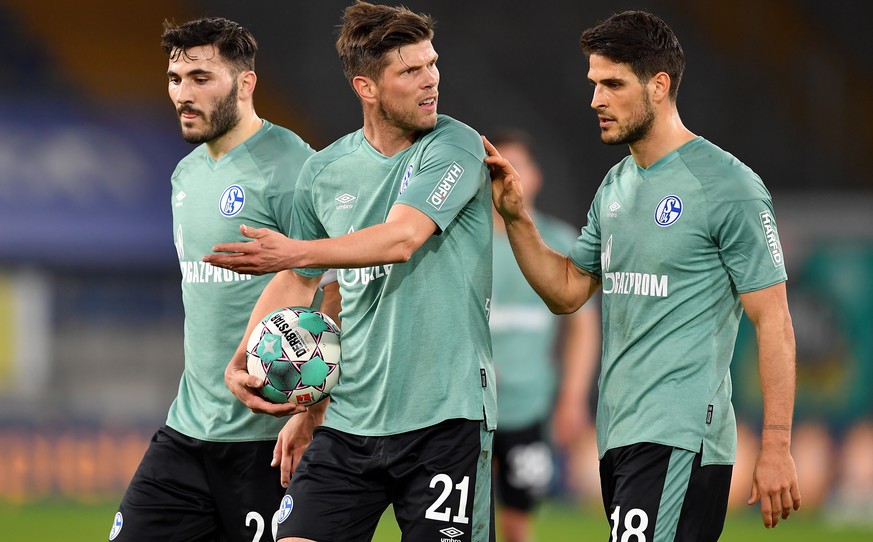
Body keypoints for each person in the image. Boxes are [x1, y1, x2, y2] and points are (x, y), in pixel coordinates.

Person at [484, 10, 801, 541]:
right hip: (620, 434)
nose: (596, 100)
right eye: (593, 84)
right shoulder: (616, 185)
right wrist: (516, 219)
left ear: (658, 87)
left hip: (680, 433)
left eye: (612, 84)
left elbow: (774, 321)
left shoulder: (728, 186)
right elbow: (567, 292)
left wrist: (776, 444)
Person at [203, 2, 496, 541]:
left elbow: (403, 238)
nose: (431, 80)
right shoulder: (325, 171)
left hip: (444, 420)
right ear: (366, 86)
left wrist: (295, 251)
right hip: (350, 420)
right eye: (410, 71)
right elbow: (308, 283)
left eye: (432, 64)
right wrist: (246, 362)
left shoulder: (455, 145)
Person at [109, 17, 340, 542]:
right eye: (175, 79)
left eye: (200, 78)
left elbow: (335, 290)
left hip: (267, 441)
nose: (182, 95)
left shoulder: (294, 168)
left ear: (245, 82)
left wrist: (312, 413)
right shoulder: (185, 176)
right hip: (188, 430)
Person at [487, 130, 601, 542]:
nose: (512, 175)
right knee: (461, 522)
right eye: (503, 166)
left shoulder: (560, 241)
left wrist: (572, 396)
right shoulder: (466, 242)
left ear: (536, 176)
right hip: (467, 406)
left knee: (518, 522)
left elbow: (583, 327)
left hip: (529, 406)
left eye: (521, 165)